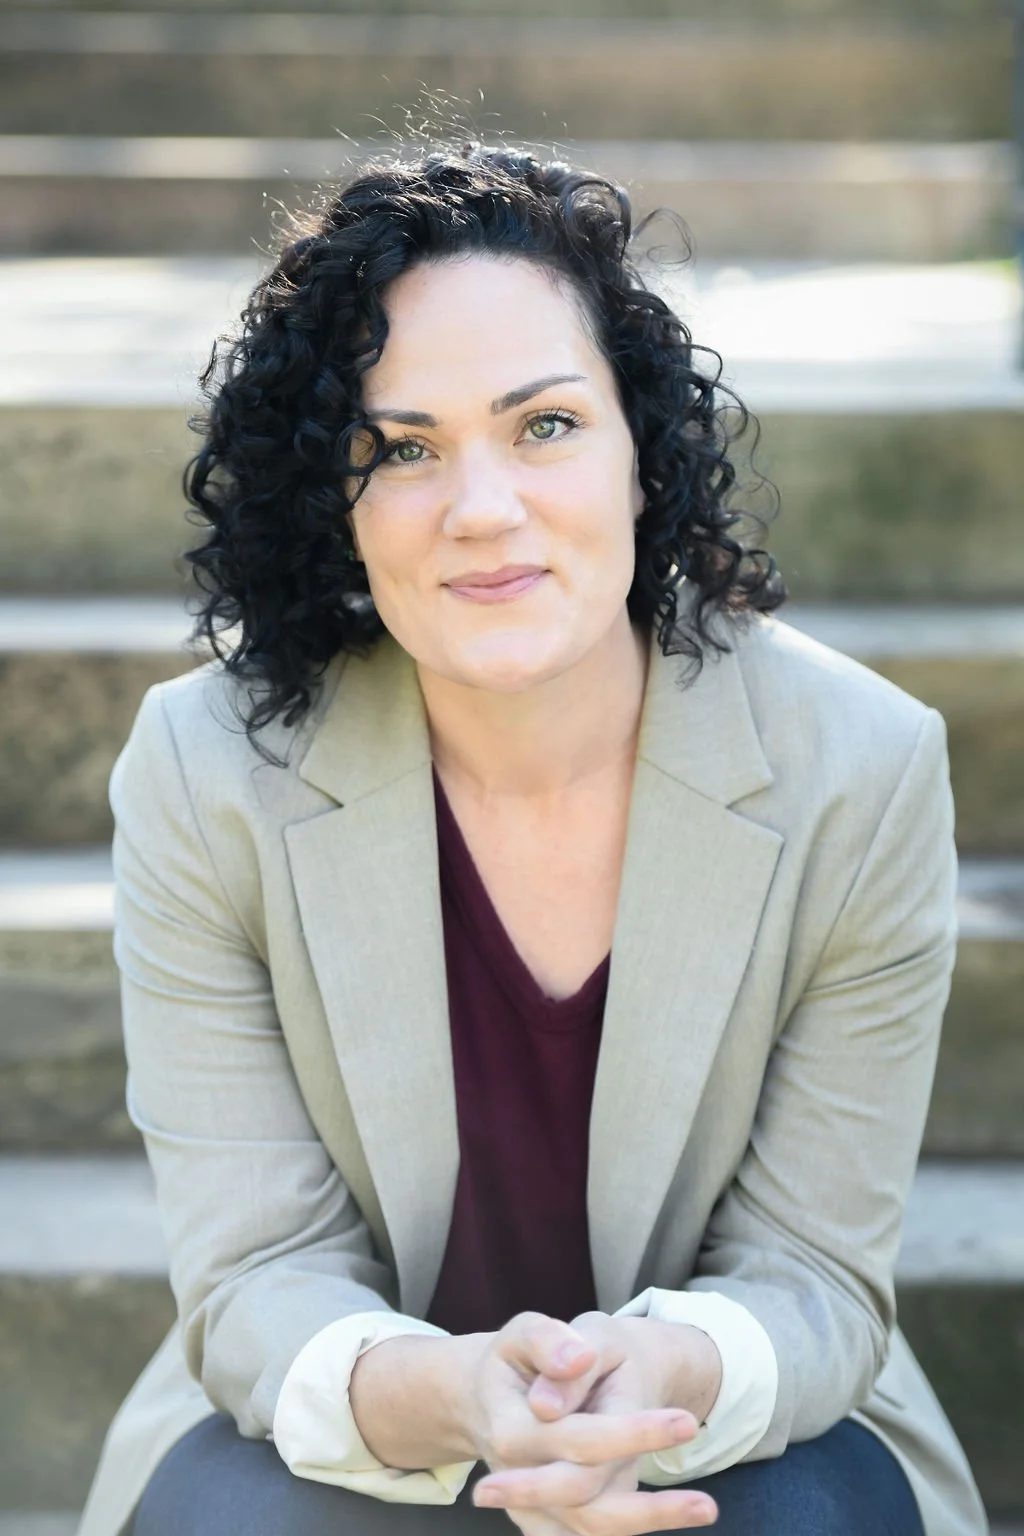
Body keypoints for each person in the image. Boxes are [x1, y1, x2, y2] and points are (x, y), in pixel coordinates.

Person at [77, 142, 987, 1536]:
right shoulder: (208, 773)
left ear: (643, 453)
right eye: (402, 449)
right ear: (337, 503)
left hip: (726, 1423)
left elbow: (810, 1273)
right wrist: (454, 1398)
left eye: (546, 425)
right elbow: (260, 1275)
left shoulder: (858, 768)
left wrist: (648, 1377)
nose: (482, 509)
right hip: (359, 1412)